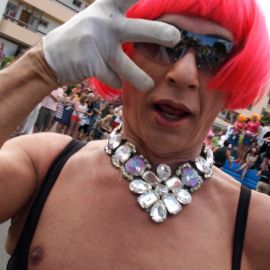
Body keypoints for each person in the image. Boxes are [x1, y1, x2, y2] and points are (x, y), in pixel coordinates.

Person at [1, 1, 270, 270]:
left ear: (236, 78)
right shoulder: (44, 164)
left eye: (216, 54)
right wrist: (42, 65)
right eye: (164, 43)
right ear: (125, 48)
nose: (184, 74)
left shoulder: (257, 225)